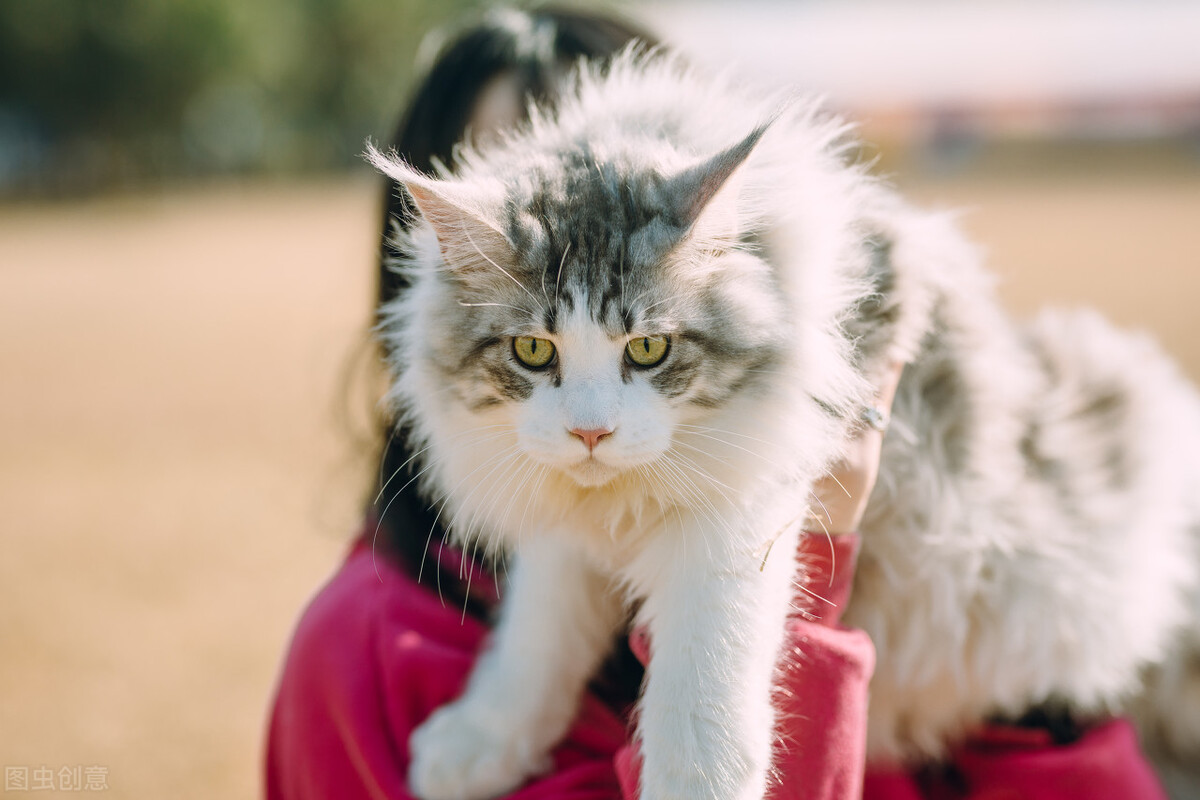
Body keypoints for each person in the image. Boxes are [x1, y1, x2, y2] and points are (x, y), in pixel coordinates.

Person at [264, 8, 1168, 799]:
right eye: (533, 353)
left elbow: (725, 516)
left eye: (646, 350)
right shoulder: (369, 654)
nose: (590, 423)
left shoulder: (788, 304)